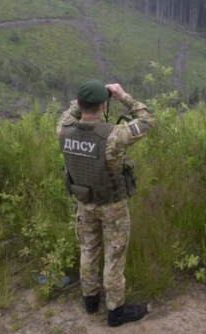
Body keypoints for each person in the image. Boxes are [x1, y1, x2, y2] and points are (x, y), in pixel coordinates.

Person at [56, 79, 154, 327]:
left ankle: (90, 301)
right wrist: (122, 96)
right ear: (103, 106)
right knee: (114, 257)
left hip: (83, 203)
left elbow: (71, 112)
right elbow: (147, 120)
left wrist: (88, 98)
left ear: (79, 104)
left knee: (88, 251)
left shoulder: (63, 130)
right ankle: (115, 311)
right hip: (113, 207)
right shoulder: (114, 136)